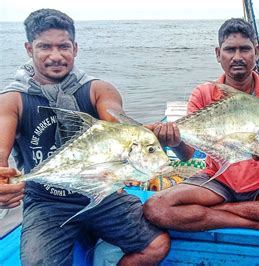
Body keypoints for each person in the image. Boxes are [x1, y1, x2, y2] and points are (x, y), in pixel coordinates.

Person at [0, 9, 169, 265]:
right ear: (28, 48)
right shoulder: (12, 100)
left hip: (103, 195)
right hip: (46, 203)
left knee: (157, 245)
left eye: (64, 46)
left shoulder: (98, 90)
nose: (56, 56)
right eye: (45, 46)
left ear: (75, 48)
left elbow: (118, 125)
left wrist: (145, 140)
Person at [143, 18, 259, 236]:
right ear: (218, 54)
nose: (237, 57)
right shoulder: (204, 93)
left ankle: (222, 212)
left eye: (245, 49)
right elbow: (186, 156)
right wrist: (175, 140)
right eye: (230, 50)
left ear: (256, 53)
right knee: (156, 208)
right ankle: (255, 223)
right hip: (216, 180)